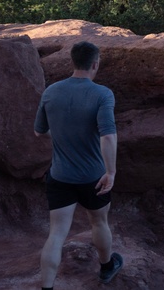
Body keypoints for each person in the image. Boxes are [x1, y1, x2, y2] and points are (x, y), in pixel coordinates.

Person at [34, 41, 123, 289]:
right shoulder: (102, 94)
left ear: (72, 62)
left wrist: (63, 135)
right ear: (95, 64)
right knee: (99, 222)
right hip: (93, 176)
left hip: (60, 175)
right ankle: (106, 267)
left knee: (56, 233)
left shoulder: (51, 91)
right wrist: (111, 172)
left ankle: (47, 287)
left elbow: (39, 131)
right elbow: (107, 135)